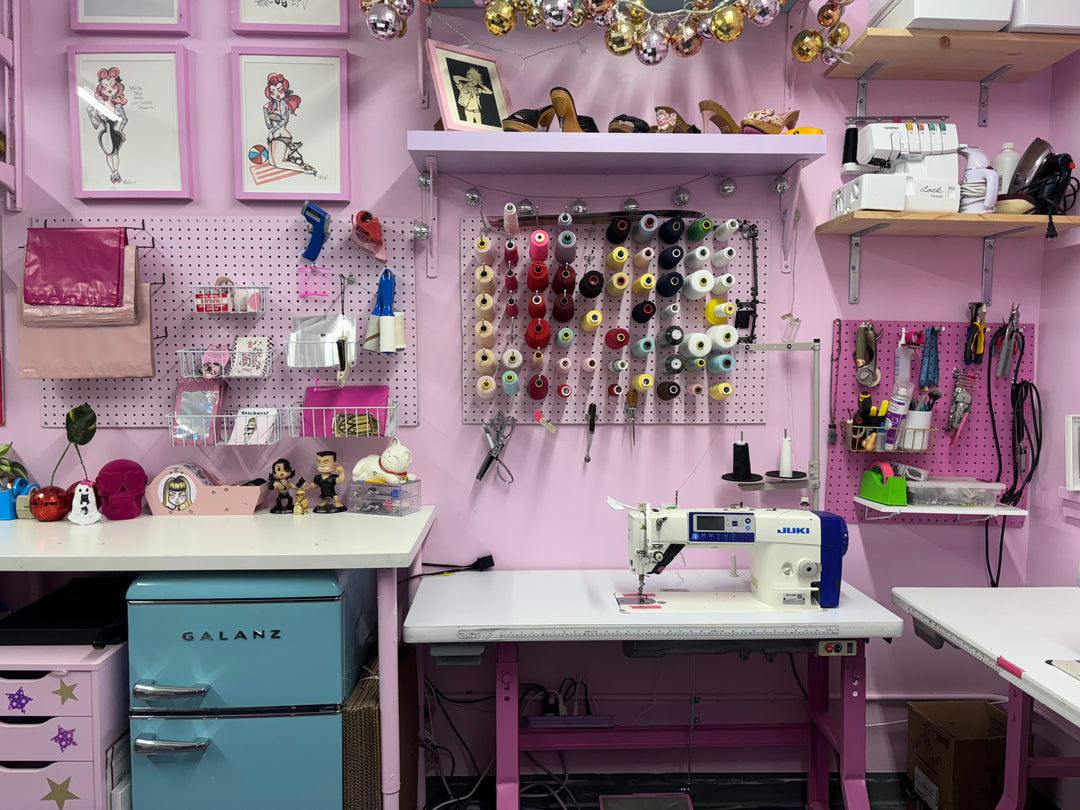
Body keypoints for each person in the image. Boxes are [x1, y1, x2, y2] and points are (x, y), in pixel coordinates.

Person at [263, 72, 315, 175]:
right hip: (274, 136)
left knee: (279, 163)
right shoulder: (271, 105)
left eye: (280, 90)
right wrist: (265, 111)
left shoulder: (283, 103)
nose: (277, 94)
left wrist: (272, 132)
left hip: (282, 135)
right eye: (273, 91)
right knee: (272, 163)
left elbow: (284, 120)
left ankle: (306, 170)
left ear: (285, 90)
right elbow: (269, 125)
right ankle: (296, 163)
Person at [86, 67, 128, 184]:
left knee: (115, 153)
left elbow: (124, 119)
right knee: (108, 153)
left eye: (112, 85)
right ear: (101, 89)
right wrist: (89, 112)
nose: (109, 89)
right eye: (105, 86)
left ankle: (116, 172)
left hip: (115, 134)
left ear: (118, 87)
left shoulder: (117, 105)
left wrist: (121, 130)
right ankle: (113, 172)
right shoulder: (100, 105)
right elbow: (96, 125)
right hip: (104, 134)